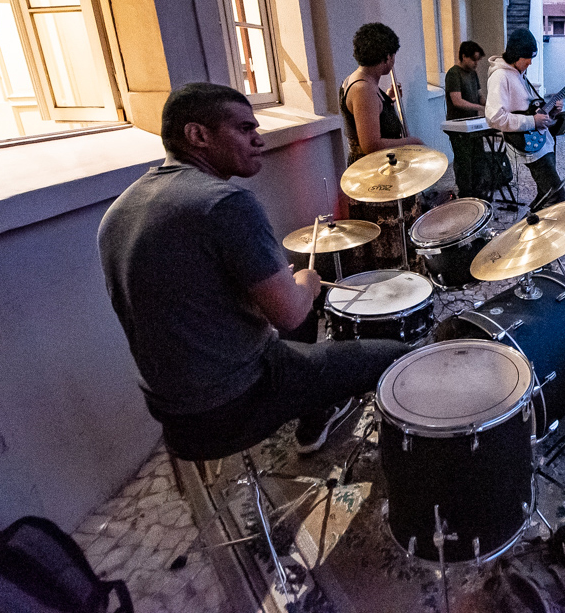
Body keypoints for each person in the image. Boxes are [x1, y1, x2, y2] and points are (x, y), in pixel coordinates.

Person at [98, 83, 411, 459]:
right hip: (235, 399)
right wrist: (306, 284)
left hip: (170, 406)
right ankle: (406, 478)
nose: (258, 140)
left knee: (301, 329)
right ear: (197, 135)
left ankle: (316, 415)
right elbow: (290, 312)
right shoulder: (224, 204)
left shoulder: (118, 211)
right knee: (395, 355)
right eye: (245, 129)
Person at [339, 23, 426, 269]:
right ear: (387, 56)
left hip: (376, 174)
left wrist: (386, 100)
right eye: (393, 56)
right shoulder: (363, 88)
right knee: (388, 242)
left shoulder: (363, 82)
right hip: (373, 179)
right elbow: (370, 144)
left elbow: (369, 119)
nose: (393, 63)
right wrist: (413, 142)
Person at [486, 28, 565, 211]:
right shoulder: (500, 76)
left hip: (542, 142)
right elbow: (494, 118)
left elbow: (528, 109)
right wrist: (533, 122)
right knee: (556, 194)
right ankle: (537, 230)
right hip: (529, 145)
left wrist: (550, 112)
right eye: (527, 57)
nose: (530, 62)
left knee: (545, 193)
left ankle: (533, 224)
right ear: (515, 54)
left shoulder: (518, 73)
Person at [444, 40, 488, 200]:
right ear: (464, 56)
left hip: (473, 126)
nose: (477, 63)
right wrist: (479, 107)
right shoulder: (453, 74)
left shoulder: (473, 74)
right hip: (458, 126)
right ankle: (465, 195)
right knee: (464, 163)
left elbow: (480, 95)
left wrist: (490, 105)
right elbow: (457, 101)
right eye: (474, 59)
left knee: (479, 159)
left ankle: (478, 193)